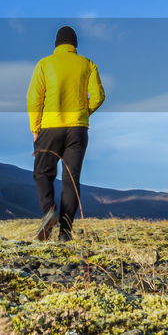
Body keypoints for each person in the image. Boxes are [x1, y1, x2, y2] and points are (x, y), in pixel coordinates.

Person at [26, 25, 105, 241]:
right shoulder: (88, 65)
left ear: (56, 45)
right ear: (75, 45)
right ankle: (65, 233)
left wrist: (35, 129)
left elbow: (34, 99)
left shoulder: (44, 64)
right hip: (78, 129)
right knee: (71, 179)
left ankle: (49, 212)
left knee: (42, 173)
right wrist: (83, 113)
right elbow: (98, 96)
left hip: (50, 127)